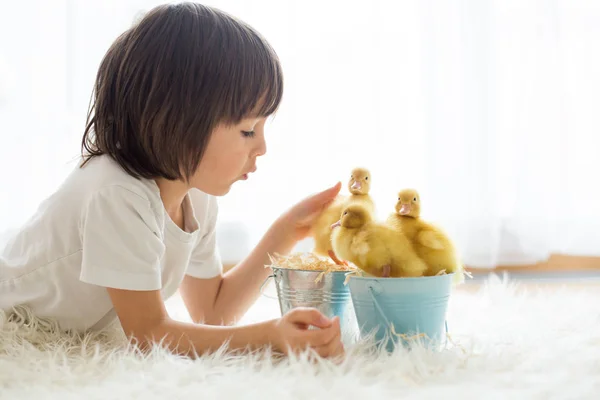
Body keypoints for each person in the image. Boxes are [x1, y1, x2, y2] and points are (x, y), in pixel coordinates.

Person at [0, 2, 344, 358]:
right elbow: (148, 335)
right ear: (175, 122)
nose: (262, 147)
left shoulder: (195, 197)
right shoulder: (117, 192)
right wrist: (268, 337)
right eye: (247, 130)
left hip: (62, 337)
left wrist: (286, 231)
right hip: (11, 326)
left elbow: (212, 313)